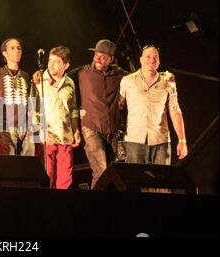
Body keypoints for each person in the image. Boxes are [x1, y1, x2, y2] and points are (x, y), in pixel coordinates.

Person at [67, 39, 129, 189]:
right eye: (96, 54)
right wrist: (75, 112)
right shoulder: (82, 72)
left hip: (114, 130)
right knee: (100, 171)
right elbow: (60, 79)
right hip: (91, 127)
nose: (98, 59)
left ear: (112, 59)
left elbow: (141, 78)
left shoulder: (121, 75)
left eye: (103, 56)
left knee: (117, 173)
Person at [119, 45, 188, 164]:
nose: (152, 60)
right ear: (141, 59)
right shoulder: (127, 81)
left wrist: (182, 140)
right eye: (148, 57)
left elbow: (175, 110)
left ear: (159, 61)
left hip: (161, 141)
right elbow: (117, 105)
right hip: (135, 140)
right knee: (136, 180)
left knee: (162, 180)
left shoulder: (167, 81)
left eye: (155, 57)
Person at [32, 46, 81, 189]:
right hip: (45, 138)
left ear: (66, 65)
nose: (51, 64)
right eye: (50, 60)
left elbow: (73, 110)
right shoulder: (38, 80)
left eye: (56, 61)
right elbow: (32, 108)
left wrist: (76, 131)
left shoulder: (70, 83)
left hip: (65, 137)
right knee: (46, 177)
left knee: (65, 181)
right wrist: (36, 133)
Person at [0, 38, 35, 156]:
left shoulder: (25, 75)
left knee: (29, 160)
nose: (16, 50)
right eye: (12, 48)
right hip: (5, 125)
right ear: (4, 53)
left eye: (19, 48)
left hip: (25, 125)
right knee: (8, 160)